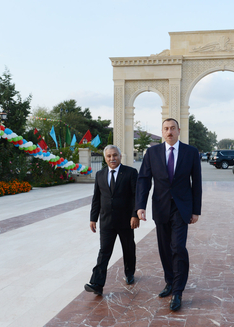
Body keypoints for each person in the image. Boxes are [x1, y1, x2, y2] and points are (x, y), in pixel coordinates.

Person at [136, 118, 202, 311]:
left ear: (179, 130)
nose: (169, 131)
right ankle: (170, 281)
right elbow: (143, 180)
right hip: (161, 207)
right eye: (166, 129)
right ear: (162, 132)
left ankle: (178, 292)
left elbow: (196, 183)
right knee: (165, 248)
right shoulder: (152, 152)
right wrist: (140, 206)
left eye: (173, 128)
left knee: (178, 247)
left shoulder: (191, 152)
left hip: (182, 208)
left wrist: (196, 210)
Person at [84, 145, 140, 296]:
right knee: (104, 252)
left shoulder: (130, 173)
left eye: (115, 155)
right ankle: (97, 283)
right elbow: (96, 198)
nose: (112, 158)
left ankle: (129, 272)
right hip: (106, 221)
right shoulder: (100, 174)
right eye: (109, 156)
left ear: (120, 156)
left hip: (126, 220)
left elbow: (137, 196)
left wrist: (135, 215)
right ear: (105, 158)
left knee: (128, 249)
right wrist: (92, 218)